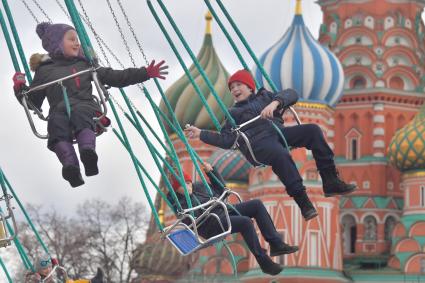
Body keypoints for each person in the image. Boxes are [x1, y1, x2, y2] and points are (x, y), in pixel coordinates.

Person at [12, 22, 168, 188]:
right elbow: (34, 102)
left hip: (85, 105)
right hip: (59, 110)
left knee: (80, 113)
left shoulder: (85, 64)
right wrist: (20, 89)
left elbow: (115, 77)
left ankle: (88, 153)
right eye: (71, 40)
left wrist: (145, 73)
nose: (77, 43)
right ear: (56, 43)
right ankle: (70, 167)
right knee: (55, 124)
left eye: (77, 39)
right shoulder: (44, 71)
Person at [184, 69, 356, 221]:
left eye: (238, 85)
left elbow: (292, 94)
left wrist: (275, 104)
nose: (235, 89)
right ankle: (303, 202)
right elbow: (226, 140)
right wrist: (201, 134)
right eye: (232, 87)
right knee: (280, 155)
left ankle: (330, 179)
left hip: (278, 133)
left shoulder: (265, 97)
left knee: (313, 131)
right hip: (258, 146)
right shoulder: (233, 114)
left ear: (250, 86)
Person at [167, 162, 299, 276]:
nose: (187, 187)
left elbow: (222, 189)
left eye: (188, 183)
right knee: (245, 223)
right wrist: (189, 197)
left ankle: (276, 244)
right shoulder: (177, 202)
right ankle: (263, 261)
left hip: (224, 212)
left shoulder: (200, 186)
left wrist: (212, 173)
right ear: (176, 189)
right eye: (182, 186)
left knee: (256, 205)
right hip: (210, 224)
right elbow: (190, 216)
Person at [24, 256, 104, 283]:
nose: (48, 270)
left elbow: (46, 260)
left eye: (50, 267)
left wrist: (53, 261)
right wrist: (37, 280)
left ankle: (93, 281)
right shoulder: (33, 277)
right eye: (45, 269)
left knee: (70, 282)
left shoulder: (47, 275)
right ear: (38, 270)